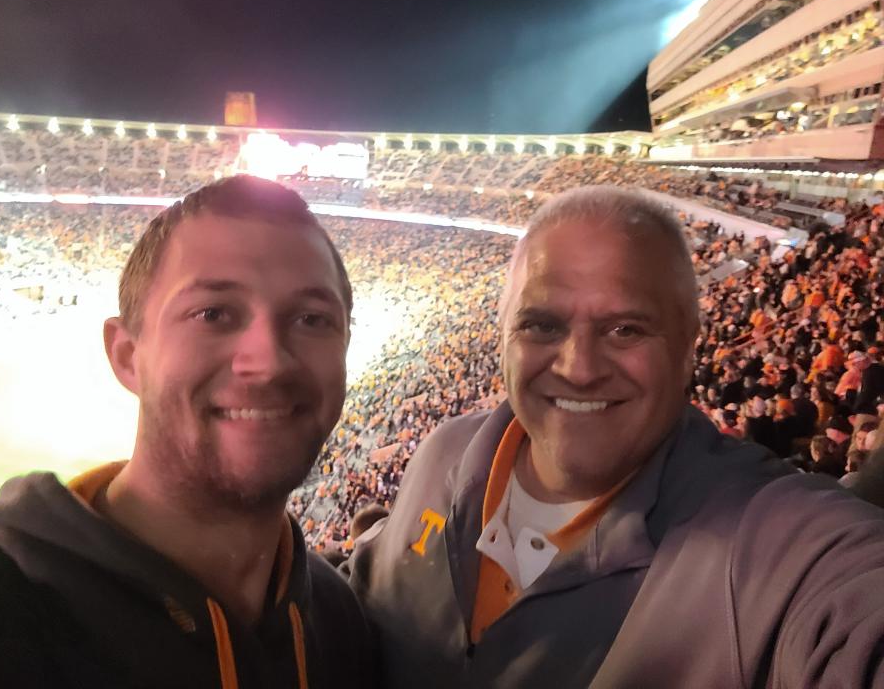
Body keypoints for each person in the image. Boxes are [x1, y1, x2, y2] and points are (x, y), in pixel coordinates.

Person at [348, 185, 884, 688]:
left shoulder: (770, 541)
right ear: (503, 333)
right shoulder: (445, 451)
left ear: (688, 344)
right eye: (542, 325)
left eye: (625, 329)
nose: (579, 368)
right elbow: (357, 592)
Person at [0, 176, 374, 688]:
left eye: (312, 319)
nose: (267, 363)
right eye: (213, 313)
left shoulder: (339, 626)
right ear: (126, 356)